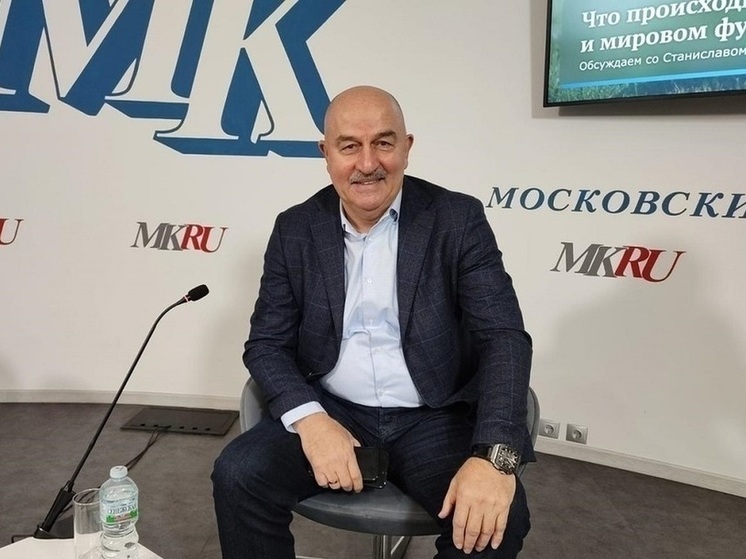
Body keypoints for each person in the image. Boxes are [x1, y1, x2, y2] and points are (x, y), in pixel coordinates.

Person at [212, 85, 534, 558]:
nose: (368, 163)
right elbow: (266, 344)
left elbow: (504, 337)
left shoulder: (457, 219)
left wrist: (494, 458)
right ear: (326, 154)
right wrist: (311, 420)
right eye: (349, 146)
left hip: (435, 416)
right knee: (238, 475)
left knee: (494, 522)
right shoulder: (295, 228)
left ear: (407, 147)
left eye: (383, 143)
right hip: (333, 408)